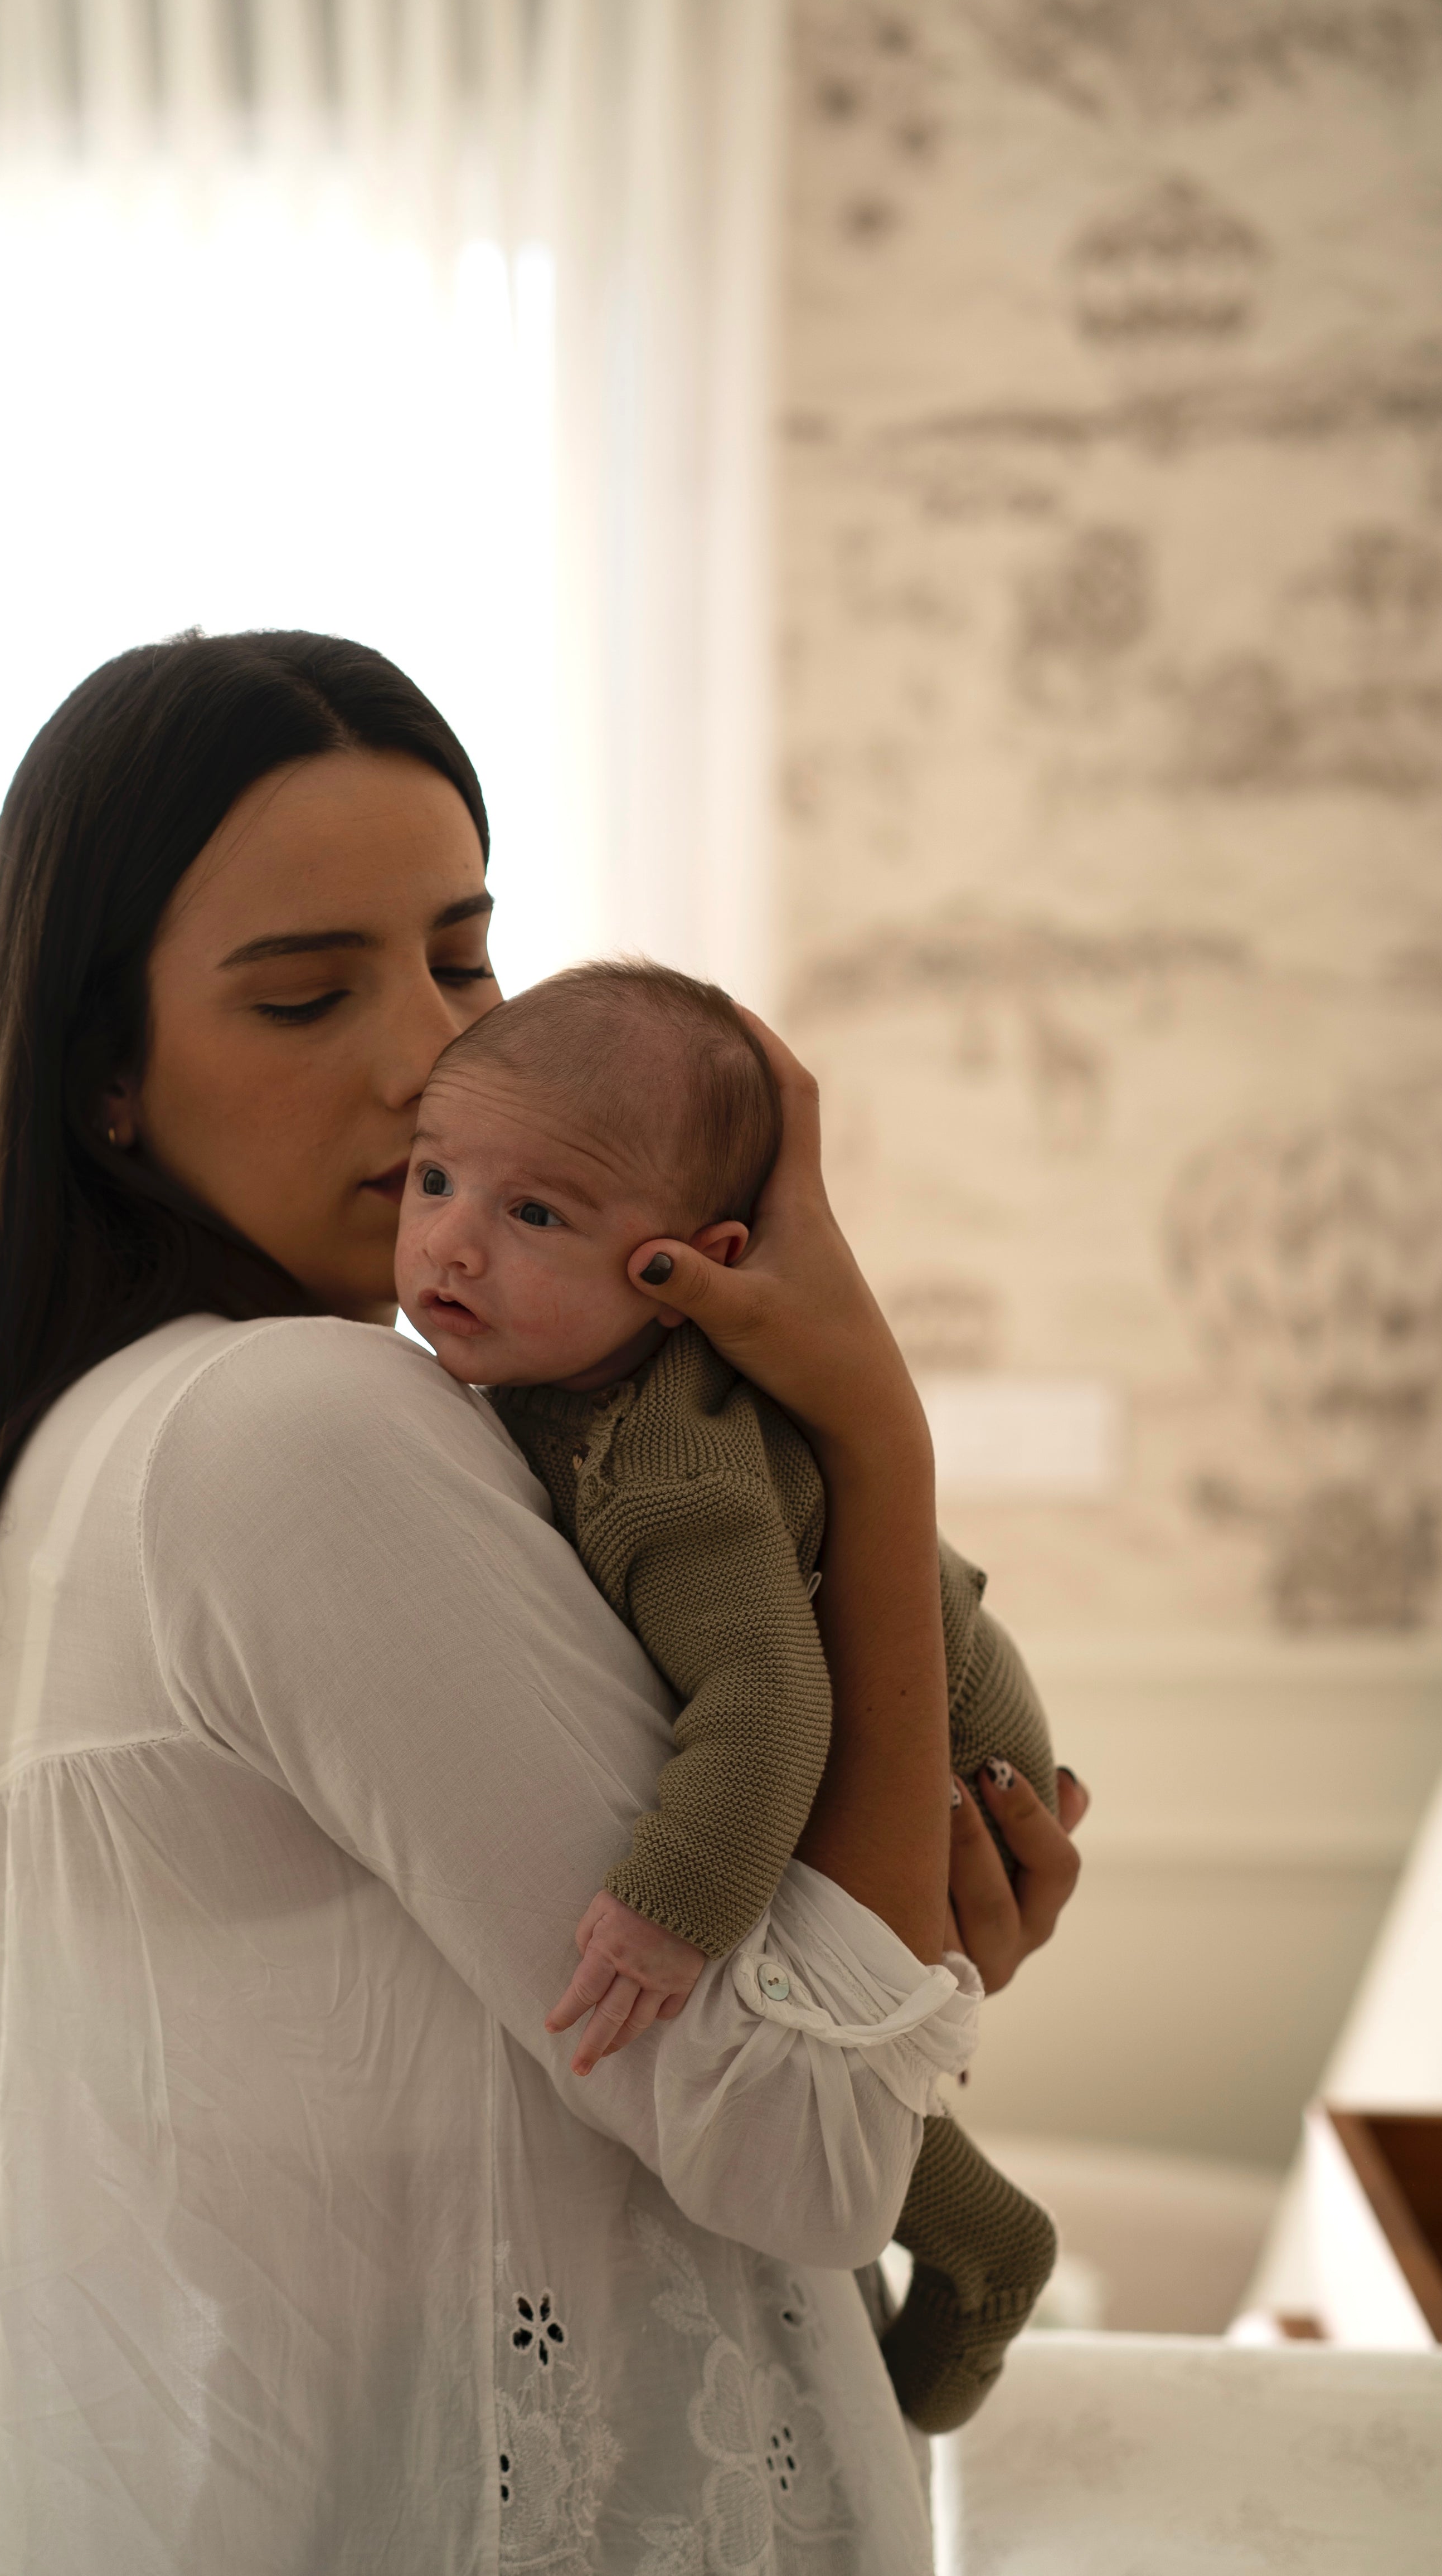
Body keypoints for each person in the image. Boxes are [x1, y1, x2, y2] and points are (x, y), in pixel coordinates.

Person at [0, 630, 1086, 2576]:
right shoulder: (297, 1428)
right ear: (108, 1086)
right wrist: (871, 1411)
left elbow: (701, 2040)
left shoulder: (119, 1438)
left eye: (465, 954)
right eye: (303, 994)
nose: (435, 1054)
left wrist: (914, 1924)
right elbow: (802, 2149)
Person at [392, 955, 1061, 2434]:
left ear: (683, 1266)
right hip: (855, 1683)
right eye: (434, 1179)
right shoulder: (542, 1380)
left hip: (943, 1723)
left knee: (795, 2012)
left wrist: (670, 1904)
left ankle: (992, 2254)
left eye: (536, 1215)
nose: (451, 1245)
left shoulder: (658, 1461)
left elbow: (766, 1705)